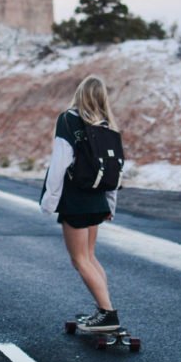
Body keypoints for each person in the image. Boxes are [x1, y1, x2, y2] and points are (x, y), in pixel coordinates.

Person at [40, 75, 121, 332]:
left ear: (79, 94)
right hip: (97, 199)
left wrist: (49, 201)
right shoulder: (106, 125)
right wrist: (110, 205)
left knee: (80, 260)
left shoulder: (68, 120)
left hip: (75, 201)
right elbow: (115, 170)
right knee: (90, 257)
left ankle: (107, 313)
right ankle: (104, 310)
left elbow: (59, 164)